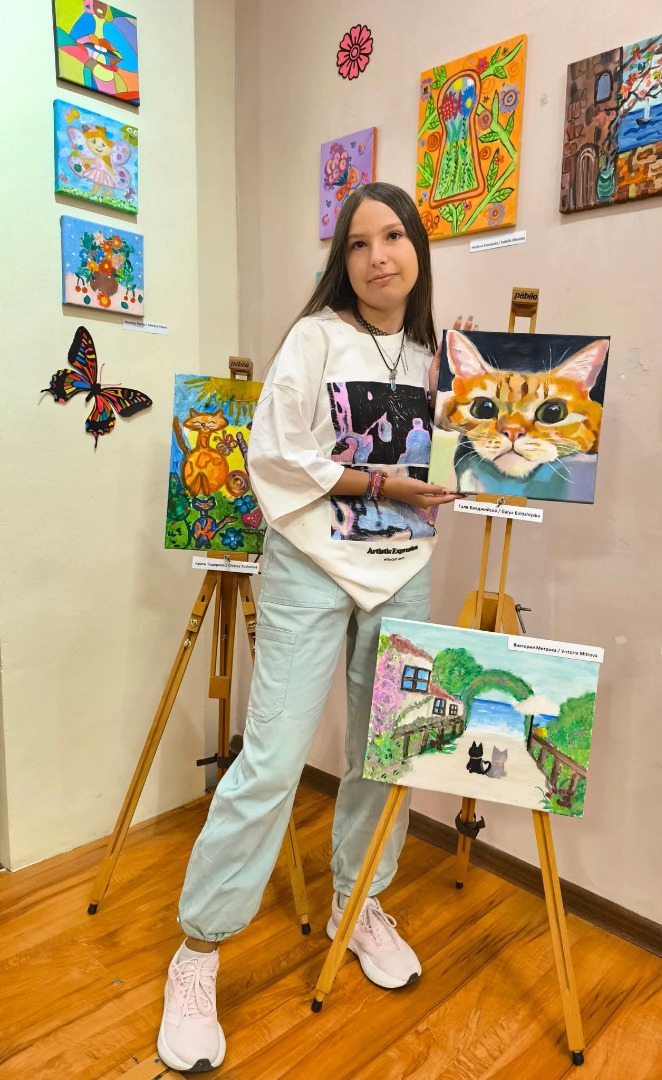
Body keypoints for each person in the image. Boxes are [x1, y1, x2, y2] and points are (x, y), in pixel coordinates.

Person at [157, 182, 464, 1074]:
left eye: (393, 237)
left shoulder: (435, 356)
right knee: (272, 758)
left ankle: (357, 906)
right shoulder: (316, 337)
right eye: (359, 243)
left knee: (387, 752)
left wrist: (475, 391)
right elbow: (276, 455)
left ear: (417, 250)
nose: (378, 256)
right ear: (342, 259)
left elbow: (455, 463)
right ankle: (198, 950)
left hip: (403, 569)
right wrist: (379, 484)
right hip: (311, 562)